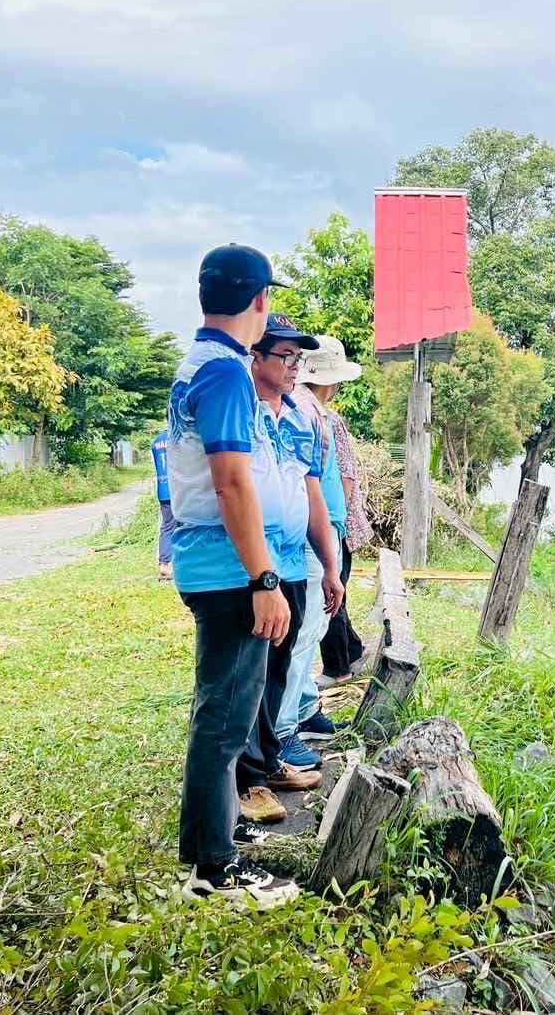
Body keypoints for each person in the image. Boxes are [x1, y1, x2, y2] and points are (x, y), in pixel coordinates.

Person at [166, 242, 308, 909]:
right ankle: (212, 871)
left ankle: (212, 834)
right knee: (224, 722)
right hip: (228, 571)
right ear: (259, 300)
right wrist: (263, 580)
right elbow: (230, 482)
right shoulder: (224, 371)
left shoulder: (200, 362)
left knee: (220, 713)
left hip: (213, 564)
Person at [236, 315, 344, 816]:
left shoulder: (301, 421)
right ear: (255, 358)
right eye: (285, 357)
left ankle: (269, 759)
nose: (294, 367)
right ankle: (247, 779)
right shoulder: (241, 415)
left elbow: (313, 495)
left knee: (278, 669)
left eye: (299, 359)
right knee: (249, 675)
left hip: (295, 566)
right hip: (255, 568)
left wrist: (328, 565)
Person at [278, 335, 362, 768]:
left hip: (317, 532)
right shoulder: (309, 415)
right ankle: (283, 728)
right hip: (315, 535)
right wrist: (332, 548)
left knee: (309, 630)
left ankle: (305, 708)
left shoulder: (302, 409)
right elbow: (321, 486)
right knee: (305, 632)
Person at [316, 383, 370, 686]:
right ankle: (352, 650)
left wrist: (332, 526)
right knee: (338, 594)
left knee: (330, 596)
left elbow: (346, 477)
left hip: (337, 526)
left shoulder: (329, 420)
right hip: (332, 524)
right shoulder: (318, 415)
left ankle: (337, 669)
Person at [151, 429, 174, 581]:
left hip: (162, 489)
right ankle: (177, 563)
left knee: (167, 526)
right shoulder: (178, 438)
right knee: (183, 526)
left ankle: (164, 564)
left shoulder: (156, 441)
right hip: (178, 489)